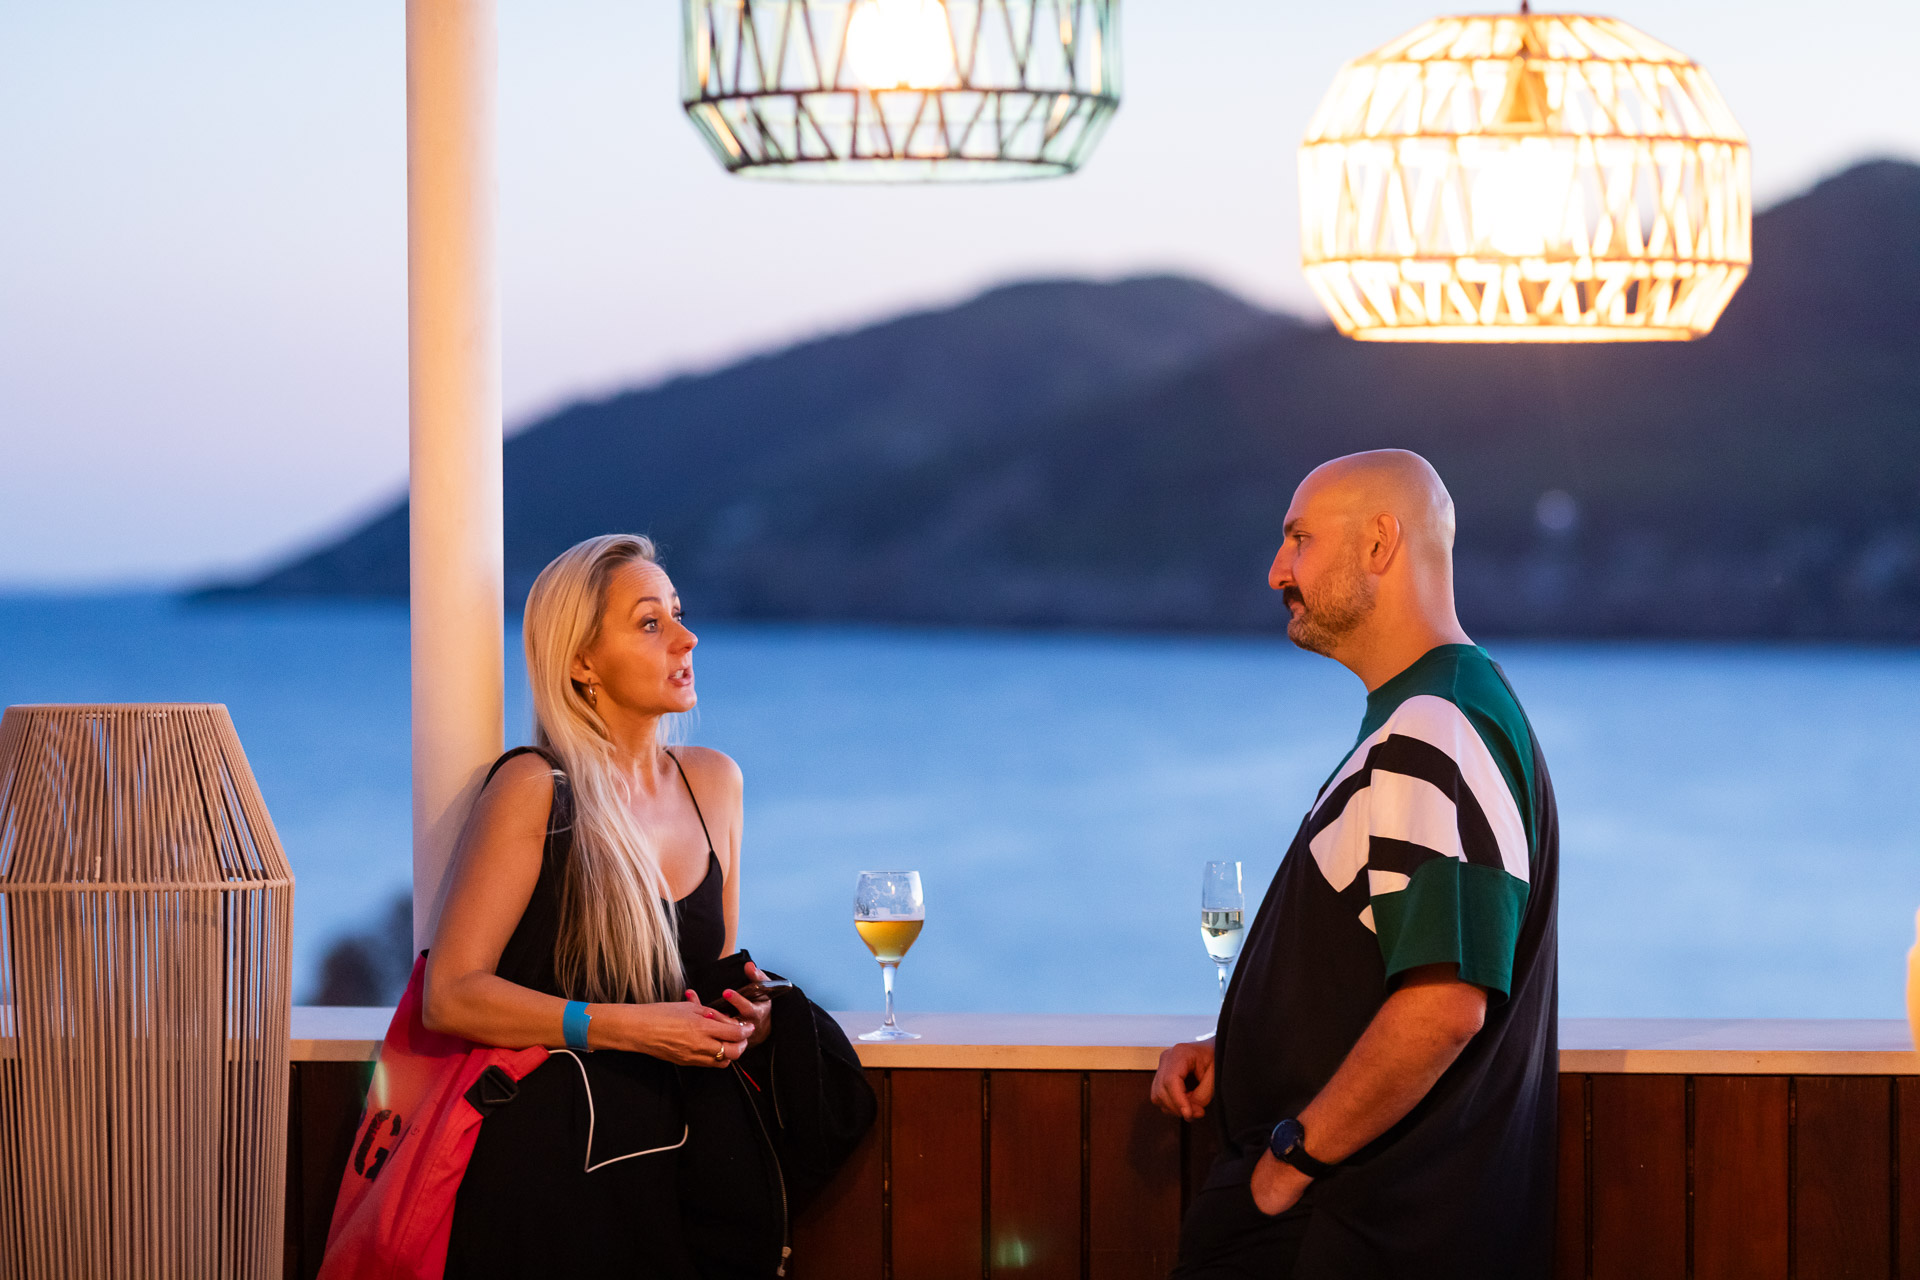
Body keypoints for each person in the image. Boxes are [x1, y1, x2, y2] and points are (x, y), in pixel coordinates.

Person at [1152, 451, 1559, 1278]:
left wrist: (1287, 1165)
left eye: (1298, 538)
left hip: (1354, 1233)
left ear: (1380, 542)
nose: (1276, 572)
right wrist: (1238, 1043)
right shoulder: (1444, 712)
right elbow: (1377, 964)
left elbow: (1443, 1006)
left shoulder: (1433, 730)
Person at [423, 533, 785, 1278]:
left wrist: (754, 1016)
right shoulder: (534, 789)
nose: (686, 637)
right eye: (650, 623)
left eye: (678, 614)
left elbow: (708, 974)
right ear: (581, 661)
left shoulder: (714, 782)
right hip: (552, 1171)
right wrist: (625, 1028)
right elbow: (450, 995)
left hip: (685, 1164)